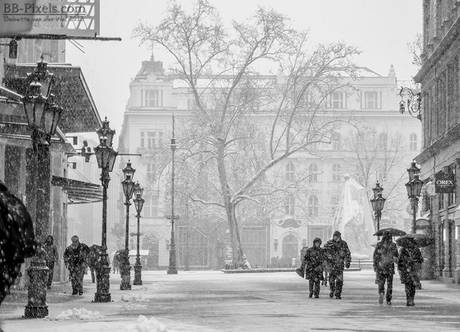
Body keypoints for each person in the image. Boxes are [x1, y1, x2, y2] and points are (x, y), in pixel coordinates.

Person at [323, 231, 351, 299]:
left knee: (339, 280)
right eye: (335, 236)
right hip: (331, 265)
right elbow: (324, 252)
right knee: (331, 280)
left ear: (339, 236)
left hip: (339, 265)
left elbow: (347, 253)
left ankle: (338, 293)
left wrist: (347, 262)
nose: (336, 237)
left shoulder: (343, 244)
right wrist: (326, 259)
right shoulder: (329, 243)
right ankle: (332, 290)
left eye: (337, 236)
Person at [373, 231, 399, 305]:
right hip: (390, 267)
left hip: (381, 267)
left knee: (381, 282)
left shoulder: (379, 245)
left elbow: (375, 256)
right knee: (390, 284)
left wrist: (375, 265)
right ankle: (388, 299)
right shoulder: (393, 245)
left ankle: (381, 292)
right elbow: (396, 256)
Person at [398, 238, 423, 306]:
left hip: (406, 270)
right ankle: (411, 299)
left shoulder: (403, 250)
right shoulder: (416, 250)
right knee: (412, 286)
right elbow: (421, 260)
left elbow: (399, 261)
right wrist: (415, 261)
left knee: (408, 285)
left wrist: (401, 268)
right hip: (412, 270)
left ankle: (409, 299)